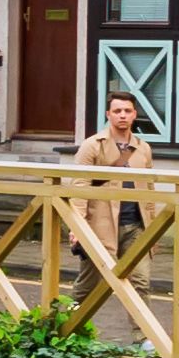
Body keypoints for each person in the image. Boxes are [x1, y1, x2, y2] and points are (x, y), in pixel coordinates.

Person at [63, 79, 151, 304]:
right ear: (108, 114)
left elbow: (149, 189)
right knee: (89, 285)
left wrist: (152, 225)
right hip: (100, 225)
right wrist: (77, 225)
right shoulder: (92, 145)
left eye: (127, 111)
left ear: (134, 114)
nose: (122, 115)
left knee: (140, 283)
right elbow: (80, 186)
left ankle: (142, 328)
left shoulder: (143, 148)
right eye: (117, 111)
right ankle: (67, 323)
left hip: (136, 226)